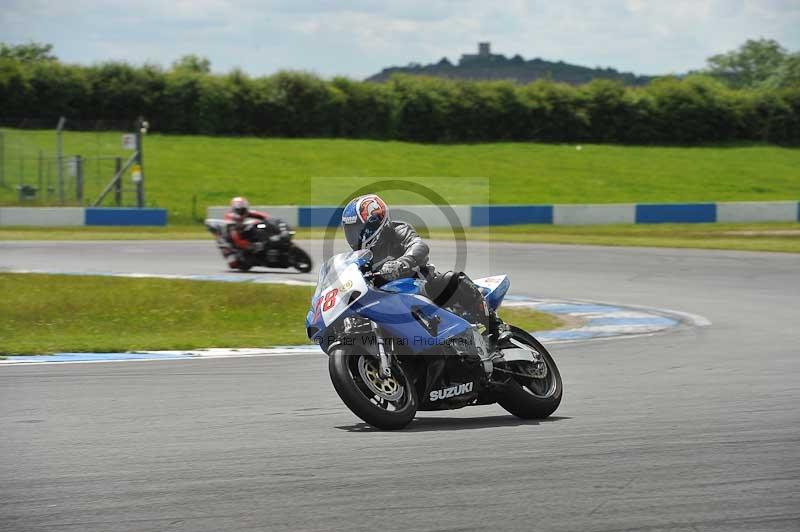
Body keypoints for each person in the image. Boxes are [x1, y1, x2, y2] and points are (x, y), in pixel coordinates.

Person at [341, 193, 504, 339]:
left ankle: (494, 325)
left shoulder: (398, 230)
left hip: (423, 286)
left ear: (374, 224)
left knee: (453, 279)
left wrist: (400, 263)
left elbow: (419, 246)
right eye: (350, 231)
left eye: (357, 230)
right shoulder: (360, 257)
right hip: (390, 300)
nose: (353, 236)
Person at [220, 196, 272, 269]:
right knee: (233, 264)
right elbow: (235, 237)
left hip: (241, 230)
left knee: (256, 227)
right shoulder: (230, 217)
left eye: (243, 209)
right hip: (229, 238)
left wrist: (269, 219)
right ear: (235, 208)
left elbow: (260, 215)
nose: (242, 211)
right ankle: (248, 249)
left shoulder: (246, 212)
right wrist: (250, 246)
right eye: (240, 209)